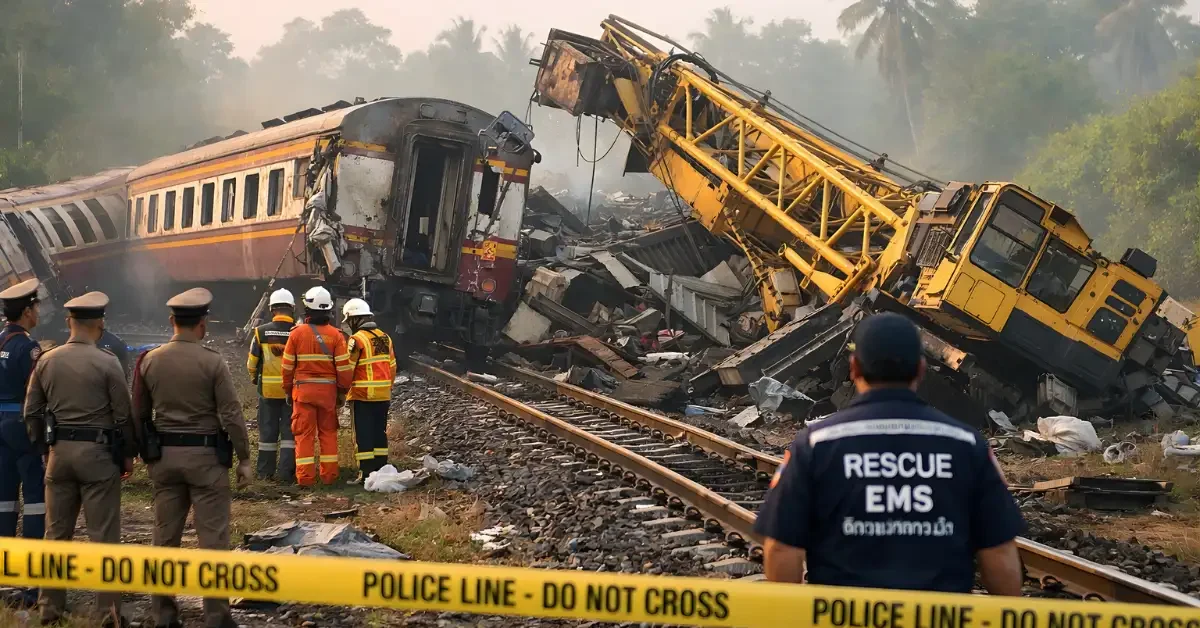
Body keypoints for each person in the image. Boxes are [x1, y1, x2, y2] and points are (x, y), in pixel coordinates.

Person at [754, 312, 1025, 595]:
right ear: (920, 370)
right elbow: (999, 553)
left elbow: (782, 548)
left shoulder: (816, 444)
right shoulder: (968, 446)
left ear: (854, 368)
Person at [133, 287, 252, 628]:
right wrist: (243, 458)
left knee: (164, 536)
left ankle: (163, 614)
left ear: (172, 321)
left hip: (165, 461)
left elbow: (139, 412)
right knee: (213, 539)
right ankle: (216, 616)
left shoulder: (150, 360)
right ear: (203, 324)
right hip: (206, 461)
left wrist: (145, 454)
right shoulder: (212, 362)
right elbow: (231, 414)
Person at [24, 291, 136, 627]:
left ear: (69, 322)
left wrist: (45, 450)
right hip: (98, 457)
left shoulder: (47, 360)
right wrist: (128, 455)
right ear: (100, 323)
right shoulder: (107, 362)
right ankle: (107, 612)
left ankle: (49, 608)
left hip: (59, 456)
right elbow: (123, 415)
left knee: (56, 534)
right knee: (104, 535)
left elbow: (32, 412)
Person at [0, 279, 44, 607]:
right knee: (34, 501)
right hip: (21, 426)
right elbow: (36, 394)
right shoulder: (28, 348)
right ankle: (31, 582)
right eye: (36, 307)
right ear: (27, 311)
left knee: (3, 501)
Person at [281, 287, 352, 486]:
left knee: (304, 435)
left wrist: (287, 389)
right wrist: (341, 392)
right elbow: (344, 370)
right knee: (328, 434)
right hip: (328, 395)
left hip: (303, 394)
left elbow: (287, 367)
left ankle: (305, 479)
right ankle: (330, 477)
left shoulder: (296, 334)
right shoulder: (337, 336)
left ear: (307, 308)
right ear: (328, 309)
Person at [342, 298, 397, 484]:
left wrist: (342, 392)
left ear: (354, 320)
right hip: (383, 395)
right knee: (379, 433)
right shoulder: (385, 337)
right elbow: (392, 366)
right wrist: (387, 388)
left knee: (363, 435)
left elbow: (348, 370)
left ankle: (365, 473)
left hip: (363, 396)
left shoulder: (356, 340)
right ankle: (381, 468)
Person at [247, 289, 297, 482]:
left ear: (271, 309)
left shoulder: (260, 332)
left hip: (267, 391)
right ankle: (286, 473)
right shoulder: (297, 331)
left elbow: (252, 362)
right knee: (288, 433)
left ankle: (264, 473)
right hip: (290, 391)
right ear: (291, 308)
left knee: (267, 433)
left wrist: (254, 378)